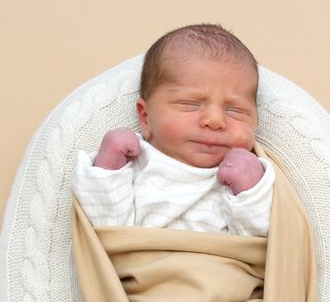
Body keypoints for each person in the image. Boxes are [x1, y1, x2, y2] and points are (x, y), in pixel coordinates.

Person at [72, 24, 274, 237]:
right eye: (190, 104)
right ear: (146, 117)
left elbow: (265, 242)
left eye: (235, 111)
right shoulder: (136, 163)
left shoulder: (249, 175)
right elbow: (105, 230)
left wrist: (251, 191)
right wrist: (107, 168)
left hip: (216, 259)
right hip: (140, 258)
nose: (215, 121)